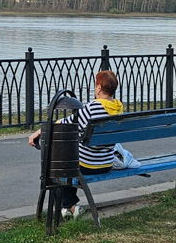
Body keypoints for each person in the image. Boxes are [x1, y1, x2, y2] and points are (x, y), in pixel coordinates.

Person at [29, 69, 123, 219]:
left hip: (89, 165)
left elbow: (66, 124)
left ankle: (68, 205)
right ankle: (68, 207)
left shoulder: (93, 108)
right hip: (106, 163)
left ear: (99, 88)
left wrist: (40, 131)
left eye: (95, 86)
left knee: (63, 163)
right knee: (70, 162)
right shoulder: (119, 109)